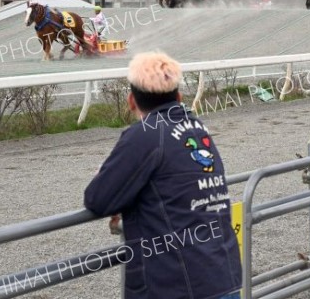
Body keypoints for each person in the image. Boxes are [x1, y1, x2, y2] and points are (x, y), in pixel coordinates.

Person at [84, 51, 242, 299]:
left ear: (131, 101)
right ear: (179, 97)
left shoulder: (144, 134)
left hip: (178, 284)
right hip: (223, 275)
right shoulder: (198, 127)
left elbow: (98, 199)